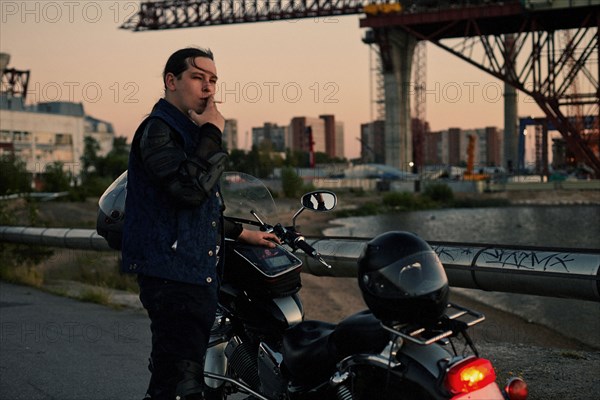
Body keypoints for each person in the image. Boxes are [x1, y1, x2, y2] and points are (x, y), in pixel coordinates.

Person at [121, 47, 280, 400]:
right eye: (197, 77)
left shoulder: (187, 134)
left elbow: (197, 214)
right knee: (181, 384)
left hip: (191, 271)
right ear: (171, 81)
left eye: (213, 80)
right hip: (174, 275)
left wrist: (245, 233)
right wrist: (212, 132)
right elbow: (189, 191)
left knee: (173, 377)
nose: (208, 88)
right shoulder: (159, 131)